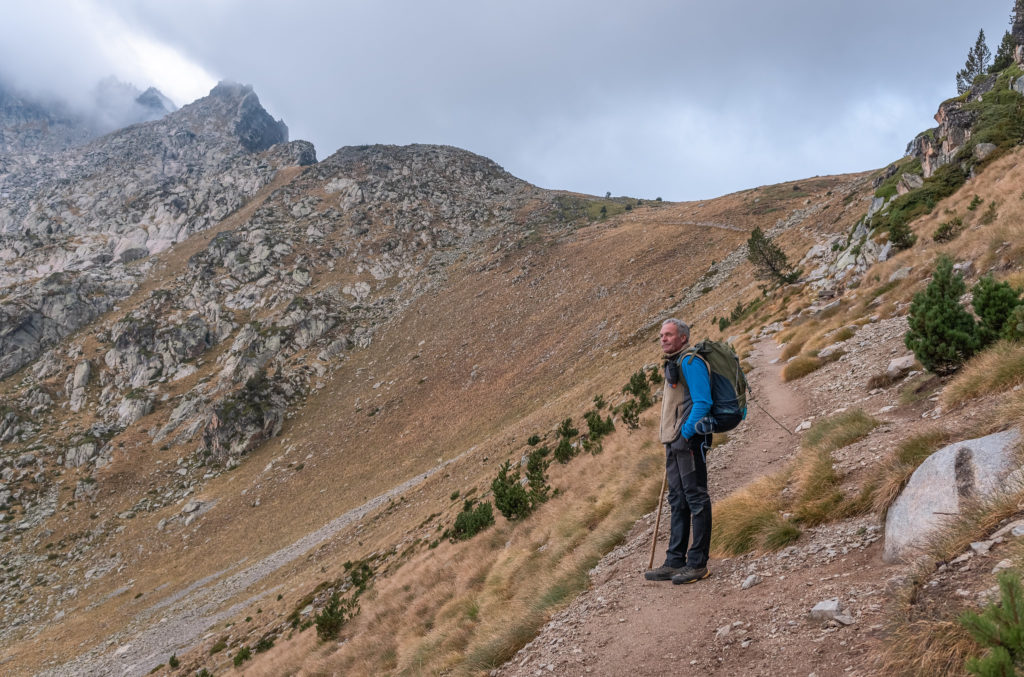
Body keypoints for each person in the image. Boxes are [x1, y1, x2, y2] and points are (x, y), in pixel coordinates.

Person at [644, 318, 713, 585]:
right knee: (678, 499)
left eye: (669, 335)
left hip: (688, 441)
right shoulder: (676, 362)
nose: (663, 339)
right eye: (661, 335)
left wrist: (684, 435)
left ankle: (697, 564)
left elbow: (703, 402)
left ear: (683, 338)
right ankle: (675, 560)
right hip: (674, 442)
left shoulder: (689, 362)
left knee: (696, 498)